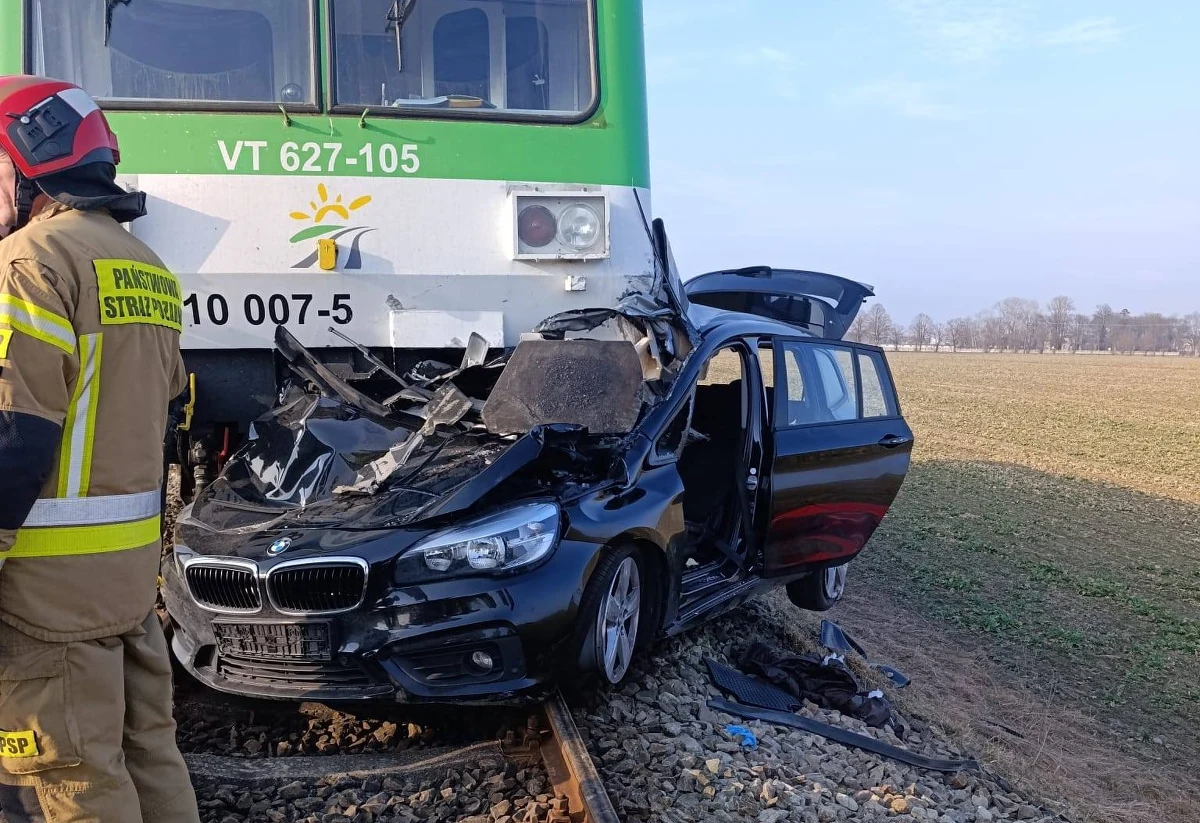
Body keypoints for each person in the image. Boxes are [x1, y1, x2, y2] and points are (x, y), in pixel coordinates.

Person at [0, 76, 199, 823]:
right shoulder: (145, 270)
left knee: (62, 780)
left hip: (41, 598)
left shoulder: (29, 262)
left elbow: (14, 434)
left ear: (27, 168)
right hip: (121, 584)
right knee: (147, 756)